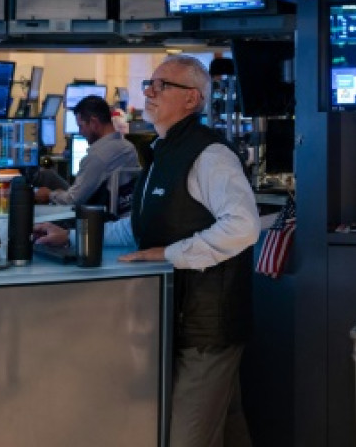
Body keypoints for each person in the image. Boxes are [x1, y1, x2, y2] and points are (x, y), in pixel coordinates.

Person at [32, 55, 260, 447]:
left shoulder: (210, 156)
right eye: (149, 84)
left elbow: (243, 227)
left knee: (187, 437)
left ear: (192, 99)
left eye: (161, 85)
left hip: (206, 327)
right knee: (227, 427)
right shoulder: (162, 152)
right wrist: (72, 237)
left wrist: (169, 253)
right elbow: (138, 228)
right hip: (178, 319)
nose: (149, 92)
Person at [34, 94, 140, 207]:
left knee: (44, 178)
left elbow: (73, 200)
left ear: (94, 123)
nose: (80, 132)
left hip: (92, 217)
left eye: (81, 126)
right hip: (117, 212)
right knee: (47, 174)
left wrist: (50, 195)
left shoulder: (98, 156)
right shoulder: (129, 147)